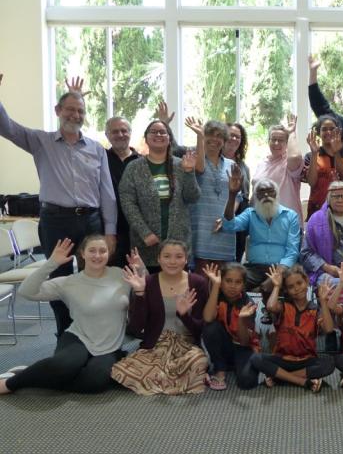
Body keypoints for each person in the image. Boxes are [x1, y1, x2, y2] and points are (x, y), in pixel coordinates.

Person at [0, 77, 117, 337]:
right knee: (58, 280)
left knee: (96, 279)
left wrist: (110, 231)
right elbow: (6, 127)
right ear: (57, 111)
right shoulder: (39, 141)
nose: (76, 115)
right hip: (56, 222)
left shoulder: (97, 149)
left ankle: (96, 335)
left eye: (81, 111)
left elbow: (107, 193)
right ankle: (65, 337)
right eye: (70, 109)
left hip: (91, 222)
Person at [0, 236, 132, 395]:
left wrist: (140, 269)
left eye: (102, 251)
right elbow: (26, 291)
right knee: (64, 366)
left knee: (95, 382)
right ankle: (10, 383)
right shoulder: (69, 282)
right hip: (79, 337)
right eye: (92, 251)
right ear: (82, 254)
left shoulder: (121, 275)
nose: (97, 255)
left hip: (110, 345)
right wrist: (51, 263)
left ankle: (32, 374)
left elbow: (148, 286)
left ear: (108, 254)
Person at [111, 240, 209, 395]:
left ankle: (165, 377)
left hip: (187, 348)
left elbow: (200, 329)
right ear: (158, 259)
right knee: (120, 371)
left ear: (186, 259)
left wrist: (184, 315)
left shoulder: (198, 282)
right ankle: (177, 378)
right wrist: (140, 294)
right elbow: (135, 327)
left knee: (198, 360)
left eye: (178, 257)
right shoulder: (148, 282)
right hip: (156, 346)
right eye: (167, 256)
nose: (172, 261)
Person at [119, 120, 200, 273]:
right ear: (146, 138)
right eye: (154, 131)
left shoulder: (181, 165)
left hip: (177, 243)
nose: (158, 135)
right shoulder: (134, 168)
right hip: (146, 243)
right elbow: (127, 202)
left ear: (169, 138)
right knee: (147, 291)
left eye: (163, 132)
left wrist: (189, 172)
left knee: (178, 291)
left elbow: (192, 198)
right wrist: (145, 232)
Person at [222, 167, 301, 322]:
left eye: (270, 191)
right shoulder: (250, 214)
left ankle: (280, 319)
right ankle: (238, 320)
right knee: (231, 281)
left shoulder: (290, 216)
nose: (266, 195)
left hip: (281, 268)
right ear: (255, 196)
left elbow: (293, 251)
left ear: (277, 194)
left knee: (280, 284)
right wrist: (232, 195)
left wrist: (278, 272)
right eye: (261, 192)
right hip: (255, 268)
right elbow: (229, 225)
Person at [250, 265, 335, 392]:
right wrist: (277, 286)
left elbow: (329, 329)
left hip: (306, 360)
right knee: (255, 358)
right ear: (287, 290)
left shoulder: (315, 309)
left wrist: (323, 301)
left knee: (329, 362)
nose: (296, 289)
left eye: (299, 283)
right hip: (282, 359)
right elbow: (271, 307)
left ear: (306, 281)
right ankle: (301, 381)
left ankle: (280, 377)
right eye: (291, 287)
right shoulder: (284, 306)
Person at [185, 118, 239, 275]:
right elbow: (199, 169)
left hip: (225, 234)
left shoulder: (231, 164)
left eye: (219, 136)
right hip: (201, 232)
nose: (214, 139)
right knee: (202, 286)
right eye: (210, 134)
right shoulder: (194, 158)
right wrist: (200, 136)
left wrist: (225, 218)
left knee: (224, 287)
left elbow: (237, 197)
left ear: (224, 141)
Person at [200, 263, 261, 391]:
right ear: (222, 281)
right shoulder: (217, 296)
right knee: (210, 328)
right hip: (224, 345)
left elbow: (244, 342)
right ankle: (220, 368)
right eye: (228, 281)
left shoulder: (248, 303)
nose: (232, 286)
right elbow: (207, 318)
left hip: (243, 347)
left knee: (247, 382)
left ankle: (242, 365)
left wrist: (241, 319)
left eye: (238, 282)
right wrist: (216, 286)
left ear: (243, 285)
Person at [253, 117, 304, 224]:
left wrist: (291, 132)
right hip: (262, 224)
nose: (276, 143)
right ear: (268, 141)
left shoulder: (289, 162)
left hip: (287, 224)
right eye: (273, 139)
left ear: (287, 143)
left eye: (280, 140)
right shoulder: (261, 164)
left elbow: (295, 156)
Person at [105, 116, 140, 268]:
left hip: (137, 228)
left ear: (130, 133)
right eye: (115, 131)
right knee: (111, 271)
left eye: (124, 130)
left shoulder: (142, 162)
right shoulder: (101, 159)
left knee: (137, 272)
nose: (120, 134)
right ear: (107, 135)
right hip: (109, 228)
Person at [303, 114, 343, 220]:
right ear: (319, 132)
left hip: (342, 212)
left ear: (338, 131)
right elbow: (312, 182)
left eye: (332, 129)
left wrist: (336, 152)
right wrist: (314, 154)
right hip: (317, 212)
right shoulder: (310, 156)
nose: (328, 132)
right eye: (324, 129)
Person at [224, 122, 251, 262]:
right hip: (221, 209)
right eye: (231, 135)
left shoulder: (244, 166)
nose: (234, 139)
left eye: (238, 137)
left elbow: (245, 195)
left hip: (241, 214)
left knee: (236, 254)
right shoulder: (212, 161)